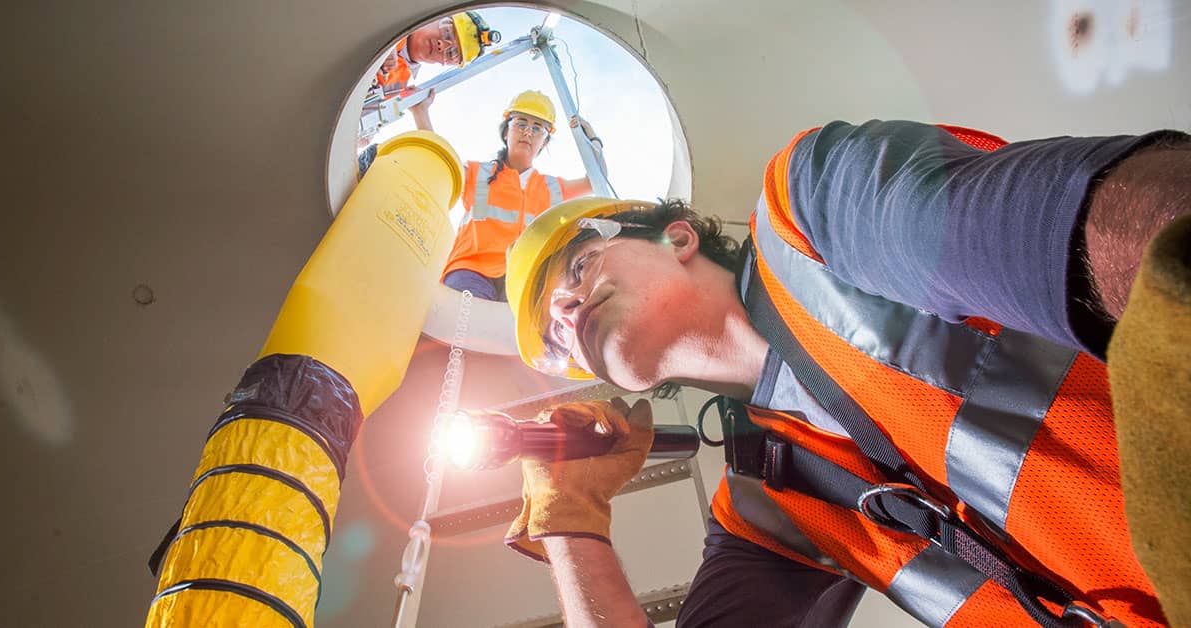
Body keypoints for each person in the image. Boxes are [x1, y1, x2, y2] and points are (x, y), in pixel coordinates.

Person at [499, 121, 1191, 627]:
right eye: (557, 335)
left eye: (579, 267)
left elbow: (1106, 224)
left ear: (677, 237)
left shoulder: (808, 214)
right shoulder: (763, 508)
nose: (565, 311)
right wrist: (568, 519)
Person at [410, 89, 606, 301]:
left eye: (537, 128)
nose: (528, 132)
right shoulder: (479, 173)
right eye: (521, 124)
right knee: (467, 327)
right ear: (506, 132)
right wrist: (421, 113)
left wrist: (592, 141)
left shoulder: (552, 187)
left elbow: (596, 179)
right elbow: (442, 158)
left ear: (545, 142)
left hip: (523, 279)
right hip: (469, 270)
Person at [367, 11, 499, 102]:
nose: (442, 45)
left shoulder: (398, 87)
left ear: (445, 63)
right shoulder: (393, 14)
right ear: (437, 18)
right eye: (447, 33)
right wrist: (385, 43)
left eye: (451, 53)